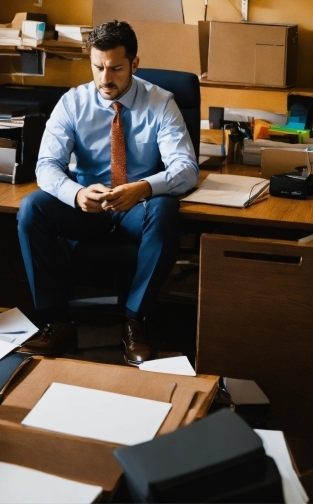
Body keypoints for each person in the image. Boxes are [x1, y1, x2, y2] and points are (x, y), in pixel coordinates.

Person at [17, 20, 199, 366]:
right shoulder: (73, 103)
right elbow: (46, 166)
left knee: (165, 210)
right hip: (88, 206)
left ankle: (134, 322)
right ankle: (56, 321)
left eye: (115, 68)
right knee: (32, 209)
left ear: (134, 63)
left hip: (136, 206)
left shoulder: (160, 103)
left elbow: (186, 169)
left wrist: (144, 187)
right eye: (98, 67)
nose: (105, 78)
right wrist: (75, 193)